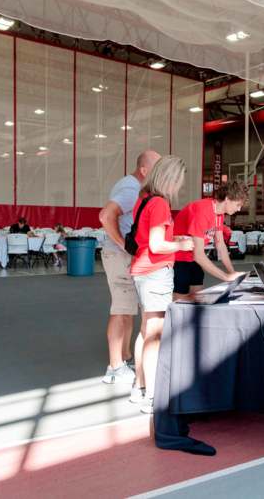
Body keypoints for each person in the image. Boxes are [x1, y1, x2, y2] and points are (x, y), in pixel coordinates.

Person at [128, 156, 194, 412]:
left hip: (142, 270)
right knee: (155, 335)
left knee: (145, 331)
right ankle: (154, 396)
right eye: (179, 182)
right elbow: (157, 245)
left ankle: (139, 386)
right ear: (171, 179)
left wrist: (171, 238)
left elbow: (148, 239)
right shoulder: (160, 204)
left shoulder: (142, 200)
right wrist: (181, 244)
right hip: (156, 273)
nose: (179, 188)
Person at [98, 150, 161, 385]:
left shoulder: (135, 188)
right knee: (120, 309)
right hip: (119, 255)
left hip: (124, 256)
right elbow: (106, 216)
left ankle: (123, 357)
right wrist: (123, 245)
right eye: (156, 169)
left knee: (128, 309)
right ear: (144, 170)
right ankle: (114, 368)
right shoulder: (130, 188)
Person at [173, 181, 249, 300]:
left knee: (198, 299)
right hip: (179, 258)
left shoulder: (219, 213)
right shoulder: (202, 211)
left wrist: (232, 273)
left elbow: (221, 245)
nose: (239, 209)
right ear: (227, 199)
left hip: (193, 258)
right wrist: (225, 276)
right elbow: (198, 255)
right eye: (238, 204)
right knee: (180, 302)